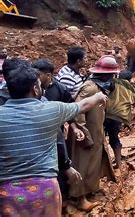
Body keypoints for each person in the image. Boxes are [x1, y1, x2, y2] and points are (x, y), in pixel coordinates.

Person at [0, 63, 107, 216]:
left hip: (7, 192)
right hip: (45, 190)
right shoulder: (52, 109)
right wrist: (98, 96)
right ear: (35, 89)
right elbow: (83, 105)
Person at [69, 55, 118, 211]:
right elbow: (78, 111)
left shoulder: (100, 88)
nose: (113, 78)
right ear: (104, 74)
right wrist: (83, 132)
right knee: (82, 164)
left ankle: (90, 189)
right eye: (111, 75)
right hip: (86, 134)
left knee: (94, 163)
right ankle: (79, 198)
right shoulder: (90, 88)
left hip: (96, 131)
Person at [32, 59, 84, 203]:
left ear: (48, 75)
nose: (35, 78)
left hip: (56, 136)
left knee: (60, 167)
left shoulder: (60, 90)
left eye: (38, 75)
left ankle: (63, 201)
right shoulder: (29, 90)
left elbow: (69, 110)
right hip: (34, 136)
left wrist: (74, 127)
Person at [105, 69, 135, 169]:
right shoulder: (128, 86)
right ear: (130, 79)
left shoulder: (111, 81)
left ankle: (105, 164)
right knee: (114, 139)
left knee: (102, 139)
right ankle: (119, 164)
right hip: (119, 116)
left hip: (104, 114)